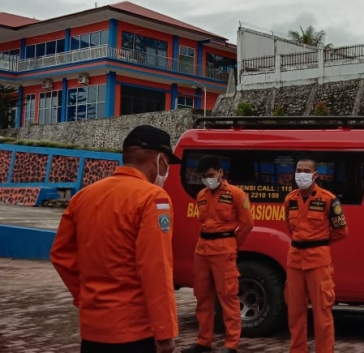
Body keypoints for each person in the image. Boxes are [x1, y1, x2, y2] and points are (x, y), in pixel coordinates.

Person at [50, 125, 180, 353]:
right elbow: (155, 268)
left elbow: (61, 255)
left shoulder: (83, 197)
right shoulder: (153, 198)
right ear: (159, 160)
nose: (166, 171)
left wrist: (87, 299)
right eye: (167, 165)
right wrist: (165, 330)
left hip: (93, 330)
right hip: (135, 332)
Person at [182, 156, 254, 353]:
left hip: (224, 249)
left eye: (211, 175)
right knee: (203, 298)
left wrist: (232, 245)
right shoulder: (202, 195)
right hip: (202, 249)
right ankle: (203, 341)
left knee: (228, 298)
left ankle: (231, 345)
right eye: (204, 177)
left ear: (221, 173)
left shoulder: (236, 194)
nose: (208, 179)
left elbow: (247, 224)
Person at [284, 156, 348, 353]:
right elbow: (289, 227)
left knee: (322, 313)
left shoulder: (328, 199)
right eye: (298, 170)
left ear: (315, 175)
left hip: (318, 261)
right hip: (295, 260)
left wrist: (318, 243)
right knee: (295, 312)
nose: (301, 175)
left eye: (305, 171)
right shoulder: (290, 199)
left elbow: (341, 231)